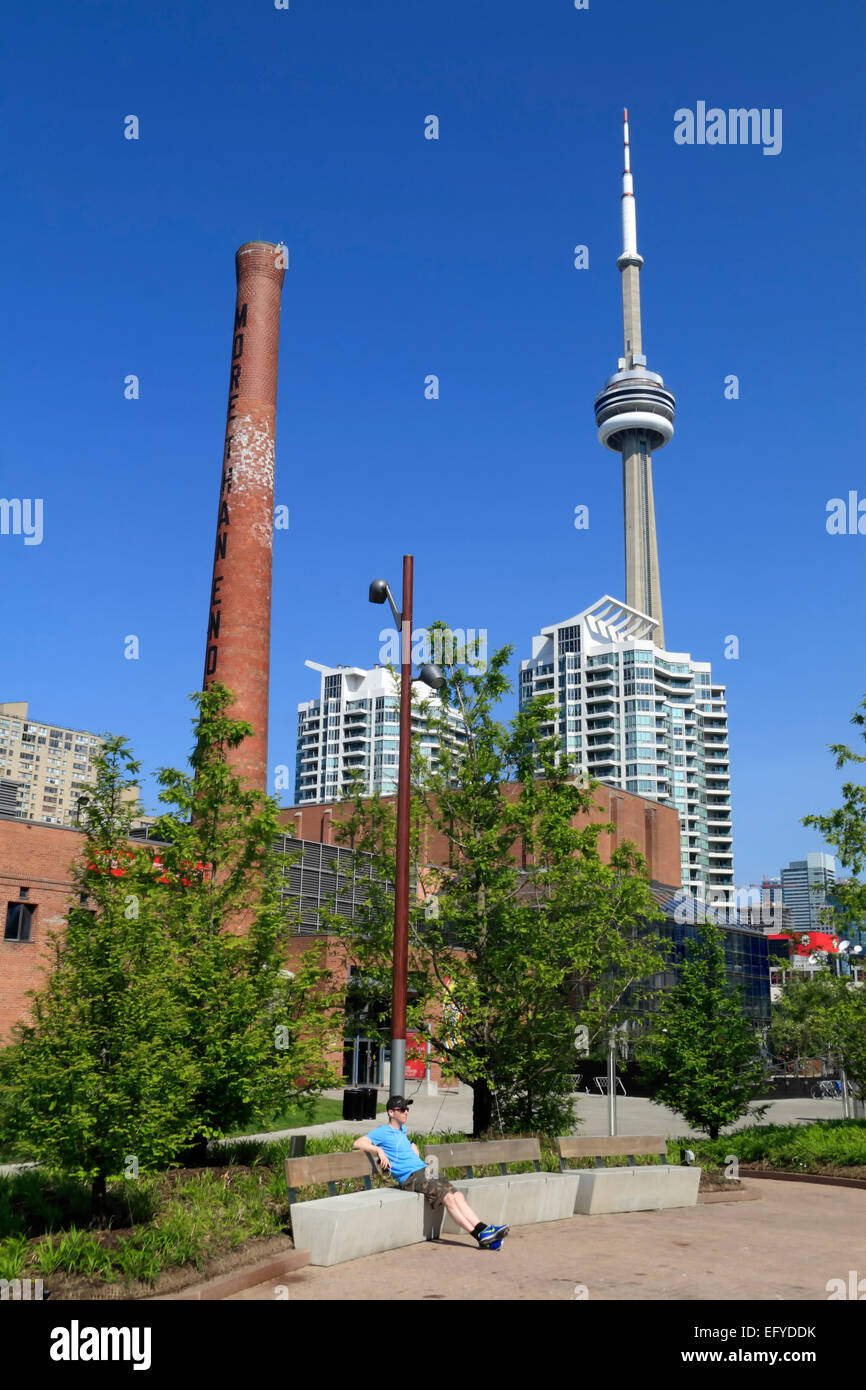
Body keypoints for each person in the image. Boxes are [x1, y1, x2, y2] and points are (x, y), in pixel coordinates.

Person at [353, 1096, 508, 1249]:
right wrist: (378, 1150)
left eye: (407, 1109)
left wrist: (412, 1145)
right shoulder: (382, 1132)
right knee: (448, 1198)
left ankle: (484, 1233)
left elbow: (401, 1147)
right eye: (402, 1109)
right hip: (411, 1177)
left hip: (425, 1170)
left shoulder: (402, 1130)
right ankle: (481, 1233)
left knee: (457, 1195)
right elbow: (358, 1143)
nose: (406, 1112)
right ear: (391, 1113)